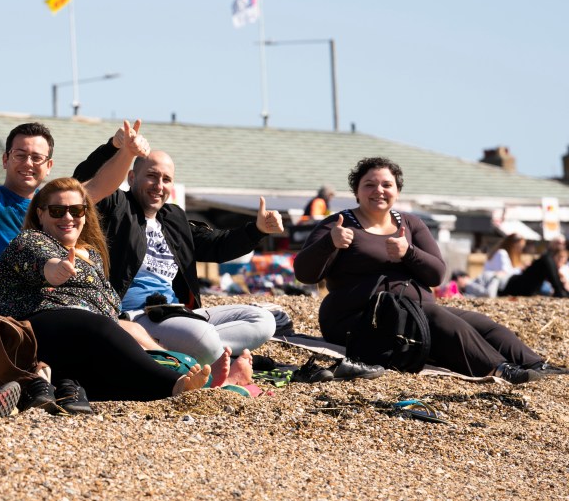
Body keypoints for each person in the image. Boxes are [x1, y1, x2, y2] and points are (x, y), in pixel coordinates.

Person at [293, 156, 563, 383]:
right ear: (357, 191)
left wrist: (408, 253)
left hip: (415, 307)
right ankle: (500, 369)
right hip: (357, 317)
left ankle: (537, 366)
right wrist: (330, 243)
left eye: (387, 184)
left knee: (481, 323)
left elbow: (436, 274)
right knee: (433, 318)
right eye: (369, 185)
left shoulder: (410, 224)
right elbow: (304, 274)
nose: (379, 190)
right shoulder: (338, 224)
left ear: (397, 190)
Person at [0, 177, 212, 403]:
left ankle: (214, 385)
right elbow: (43, 262)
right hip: (36, 331)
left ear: (85, 215)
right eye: (57, 211)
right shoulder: (28, 240)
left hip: (82, 340)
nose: (68, 217)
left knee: (112, 382)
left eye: (76, 210)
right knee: (99, 326)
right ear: (40, 214)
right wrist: (56, 269)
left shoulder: (93, 255)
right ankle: (176, 385)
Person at [73, 141, 283, 371]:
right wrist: (115, 147)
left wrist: (258, 229)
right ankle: (206, 355)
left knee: (263, 320)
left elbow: (217, 246)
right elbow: (85, 185)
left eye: (166, 179)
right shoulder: (116, 207)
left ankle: (176, 353)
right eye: (151, 176)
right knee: (205, 338)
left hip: (178, 313)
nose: (159, 185)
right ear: (131, 177)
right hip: (136, 317)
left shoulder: (174, 218)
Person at [0, 88, 150, 312]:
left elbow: (100, 185)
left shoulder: (55, 205)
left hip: (55, 309)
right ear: (5, 159)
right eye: (20, 155)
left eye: (37, 158)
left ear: (49, 167)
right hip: (2, 318)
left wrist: (128, 152)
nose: (28, 163)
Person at [499, 236, 569, 298]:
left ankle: (560, 290)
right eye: (519, 246)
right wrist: (521, 268)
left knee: (545, 261)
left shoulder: (511, 255)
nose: (521, 249)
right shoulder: (501, 253)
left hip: (518, 283)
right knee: (545, 260)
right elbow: (503, 272)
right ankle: (560, 291)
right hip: (510, 284)